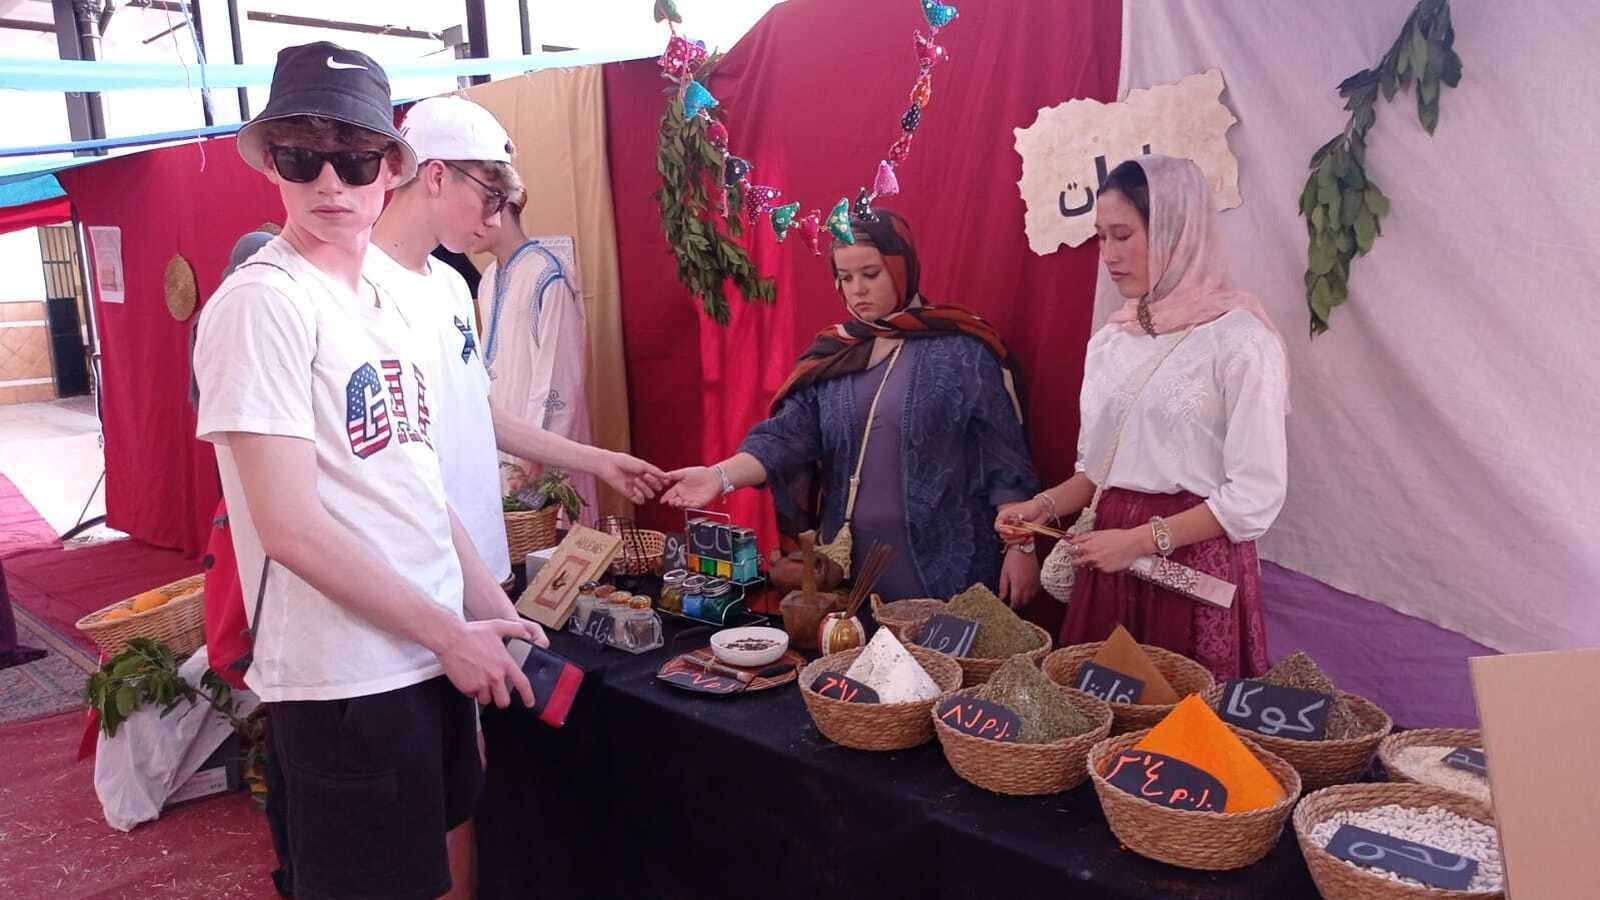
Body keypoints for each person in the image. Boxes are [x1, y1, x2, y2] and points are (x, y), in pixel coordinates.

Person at [192, 43, 546, 900]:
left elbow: (416, 489)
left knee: (440, 865)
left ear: (390, 165)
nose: (329, 183)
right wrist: (448, 631)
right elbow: (292, 528)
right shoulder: (263, 303)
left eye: (351, 157)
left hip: (425, 654)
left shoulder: (391, 300)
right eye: (300, 156)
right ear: (271, 163)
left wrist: (490, 611)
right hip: (345, 677)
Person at [362, 94, 667, 896]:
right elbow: (400, 467)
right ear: (433, 175)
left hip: (472, 572)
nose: (494, 216)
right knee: (419, 786)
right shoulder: (362, 290)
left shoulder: (443, 286)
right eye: (487, 196)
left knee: (466, 772)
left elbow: (481, 415)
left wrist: (593, 458)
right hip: (418, 577)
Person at [998, 155, 1289, 679]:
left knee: (1182, 737)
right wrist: (1040, 507)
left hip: (1193, 565)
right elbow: (1097, 473)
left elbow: (1255, 495)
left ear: (1176, 231)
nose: (1107, 255)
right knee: (1102, 724)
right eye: (1100, 237)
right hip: (1108, 560)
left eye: (1122, 235)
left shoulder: (1239, 340)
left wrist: (1136, 541)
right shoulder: (1112, 341)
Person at [665, 210, 1042, 606]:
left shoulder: (962, 349)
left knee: (942, 667)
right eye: (845, 278)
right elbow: (784, 438)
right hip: (850, 569)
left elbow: (1004, 459)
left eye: (871, 274)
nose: (857, 291)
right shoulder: (834, 355)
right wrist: (718, 476)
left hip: (949, 568)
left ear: (902, 267)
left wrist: (1022, 548)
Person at [468, 189, 600, 523]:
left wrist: (534, 455)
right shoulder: (488, 280)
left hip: (542, 450)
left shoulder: (547, 274)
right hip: (503, 440)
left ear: (497, 206)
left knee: (554, 547)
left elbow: (559, 378)